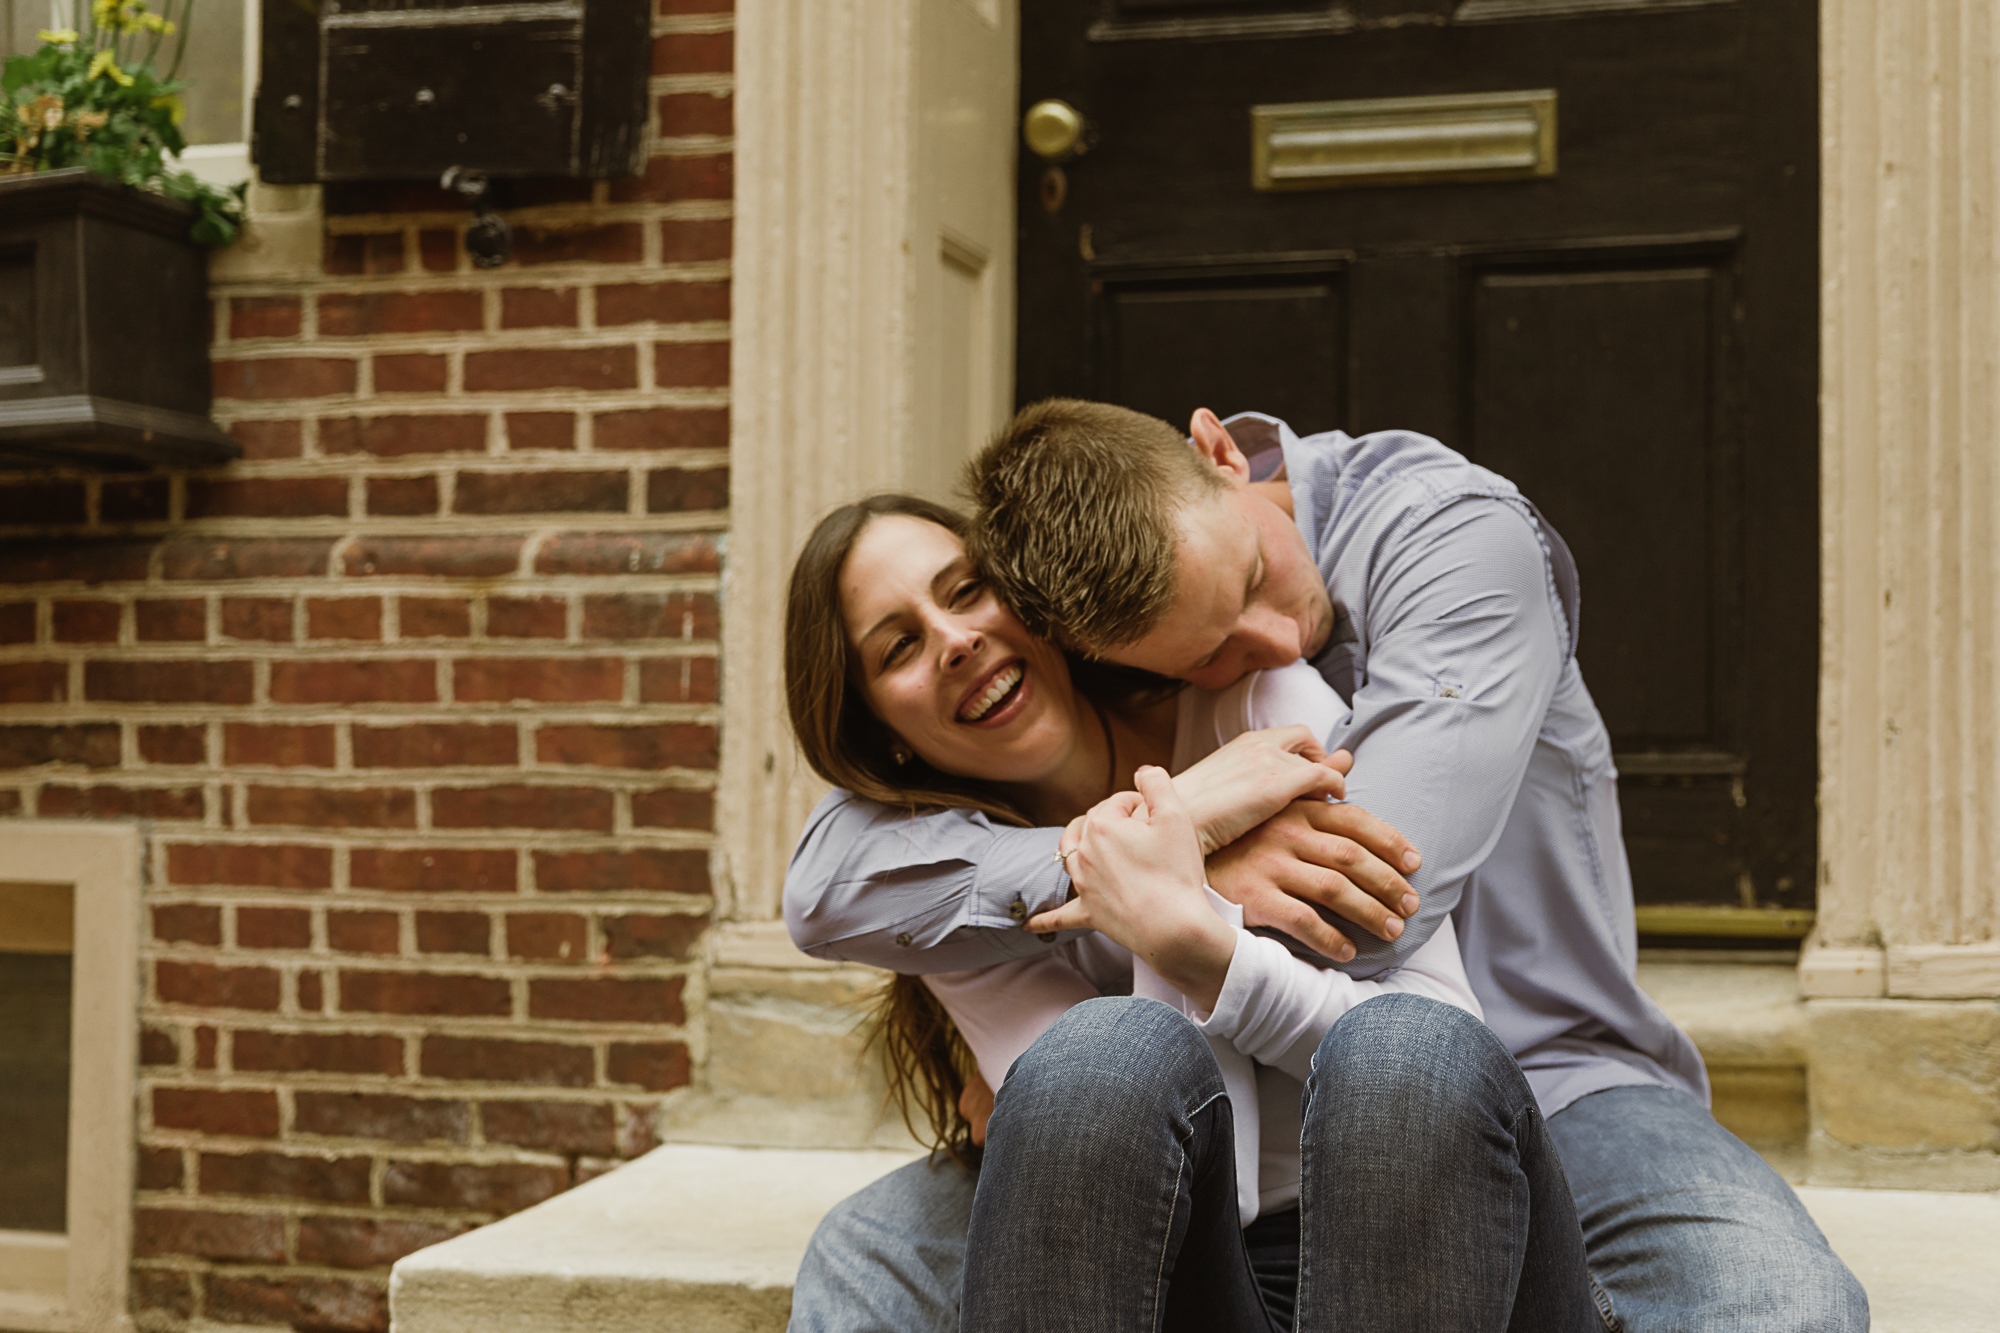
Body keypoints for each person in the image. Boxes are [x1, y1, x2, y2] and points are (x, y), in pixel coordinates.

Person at [786, 403, 1868, 1332]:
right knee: (868, 1251)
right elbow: (824, 889)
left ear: (1222, 455)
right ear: (1086, 633)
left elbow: (1372, 904)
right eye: (1200, 654)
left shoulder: (1446, 541)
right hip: (1208, 1126)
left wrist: (1164, 891)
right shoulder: (1121, 592)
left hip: (1550, 1075)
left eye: (1254, 580)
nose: (1270, 642)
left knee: (1773, 1301)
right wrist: (1172, 833)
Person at [784, 493, 1602, 1331]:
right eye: (900, 647)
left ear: (1033, 596)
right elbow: (1204, 1171)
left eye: (964, 592)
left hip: (1439, 1236)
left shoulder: (1255, 709)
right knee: (1096, 1063)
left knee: (1404, 1053)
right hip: (1198, 1271)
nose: (956, 642)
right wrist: (1177, 863)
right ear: (883, 728)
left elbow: (1442, 1067)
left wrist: (1209, 950)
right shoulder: (958, 894)